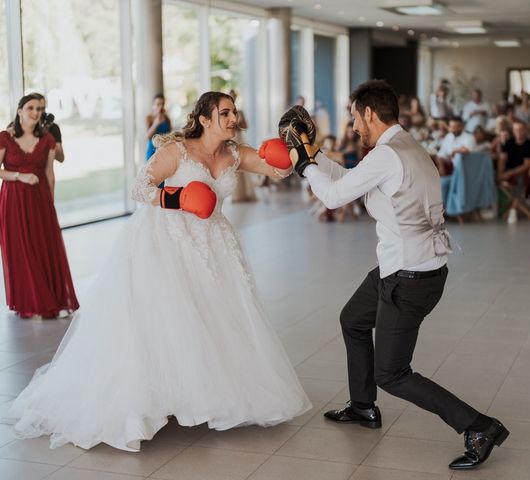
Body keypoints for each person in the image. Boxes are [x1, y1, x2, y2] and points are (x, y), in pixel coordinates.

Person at [6, 91, 311, 452]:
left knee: (213, 318)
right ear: (204, 119)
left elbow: (279, 170)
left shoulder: (235, 153)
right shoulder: (177, 151)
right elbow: (138, 187)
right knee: (168, 320)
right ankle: (156, 397)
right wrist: (177, 198)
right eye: (225, 113)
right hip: (167, 239)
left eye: (234, 112)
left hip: (215, 244)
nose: (233, 118)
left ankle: (205, 393)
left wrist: (298, 147)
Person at [278, 80, 508, 470]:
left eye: (354, 117)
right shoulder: (403, 147)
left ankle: (479, 426)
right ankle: (363, 406)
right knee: (353, 319)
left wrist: (303, 163)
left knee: (393, 372)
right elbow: (350, 178)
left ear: (369, 113)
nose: (353, 126)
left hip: (409, 276)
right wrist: (313, 155)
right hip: (407, 268)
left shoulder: (387, 155)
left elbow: (333, 196)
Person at [0, 94, 79, 319]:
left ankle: (49, 299)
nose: (35, 112)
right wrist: (18, 176)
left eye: (40, 109)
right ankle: (29, 301)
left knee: (42, 248)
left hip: (40, 200)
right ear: (19, 110)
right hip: (13, 200)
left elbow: (49, 173)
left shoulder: (47, 140)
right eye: (31, 108)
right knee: (21, 249)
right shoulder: (5, 138)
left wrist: (50, 204)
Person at [498, 120, 530, 223]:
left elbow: (525, 166)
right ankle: (515, 205)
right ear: (513, 131)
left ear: (525, 131)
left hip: (522, 173)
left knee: (519, 180)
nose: (518, 132)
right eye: (516, 130)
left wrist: (509, 173)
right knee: (493, 179)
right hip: (507, 171)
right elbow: (502, 159)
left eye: (521, 130)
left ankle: (512, 209)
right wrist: (500, 173)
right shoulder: (509, 143)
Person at [145, 93, 172, 160]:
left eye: (162, 104)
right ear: (153, 105)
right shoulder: (149, 118)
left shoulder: (167, 119)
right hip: (152, 150)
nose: (160, 106)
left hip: (164, 151)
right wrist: (156, 123)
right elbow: (148, 136)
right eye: (158, 104)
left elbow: (170, 134)